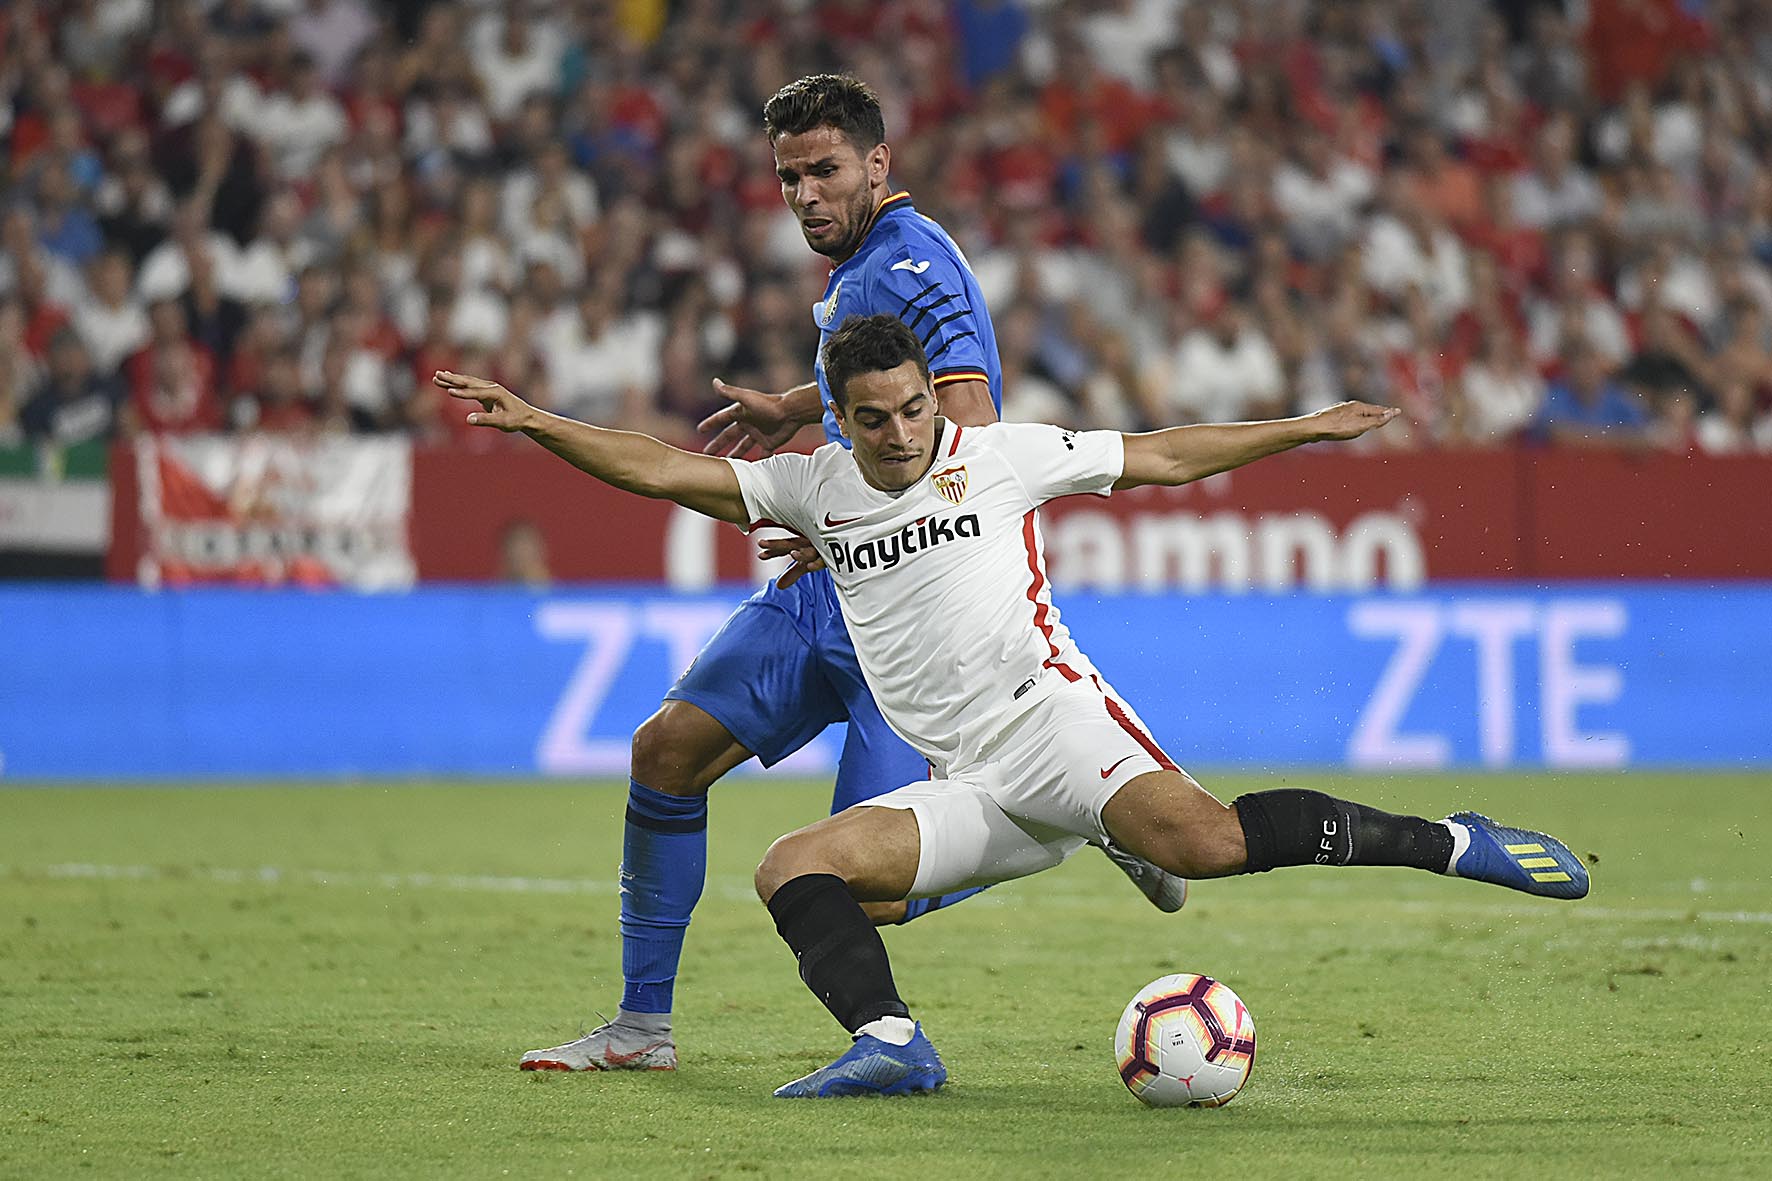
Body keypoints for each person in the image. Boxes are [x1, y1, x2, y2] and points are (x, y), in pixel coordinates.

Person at [434, 312, 1590, 1099]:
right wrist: (538, 421)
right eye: (871, 419)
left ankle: (1450, 840)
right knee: (797, 868)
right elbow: (654, 466)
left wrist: (1301, 426)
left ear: (929, 395)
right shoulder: (810, 485)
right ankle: (892, 1042)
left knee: (1211, 840)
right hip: (967, 781)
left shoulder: (998, 454)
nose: (897, 437)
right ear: (834, 414)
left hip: (1054, 728)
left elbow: (1165, 454)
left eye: (909, 412)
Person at [515, 74, 1181, 1074]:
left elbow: (969, 439)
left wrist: (849, 516)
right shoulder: (869, 265)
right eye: (788, 177)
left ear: (877, 164)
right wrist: (803, 403)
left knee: (867, 886)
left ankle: (1084, 811)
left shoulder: (913, 266)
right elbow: (882, 381)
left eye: (824, 171)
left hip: (894, 605)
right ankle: (640, 1027)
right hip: (820, 587)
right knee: (665, 750)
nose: (804, 195)